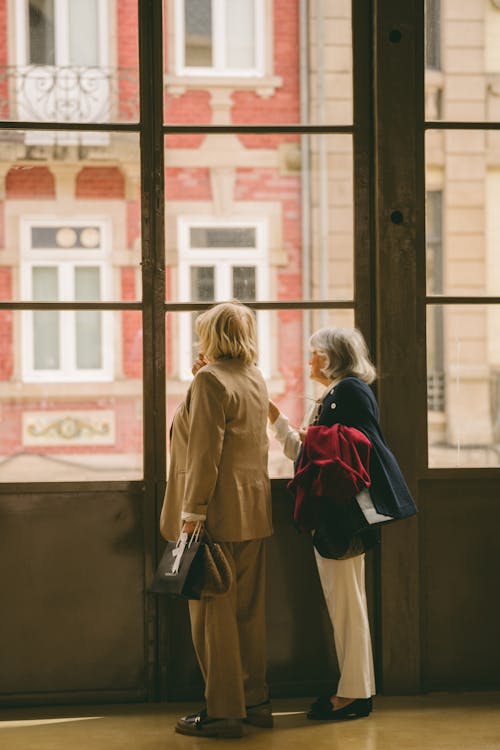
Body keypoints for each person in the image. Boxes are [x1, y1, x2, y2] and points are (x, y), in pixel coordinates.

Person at [269, 326, 417, 721]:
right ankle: (356, 690)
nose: (310, 360)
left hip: (339, 513)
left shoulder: (344, 392)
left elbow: (331, 454)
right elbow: (315, 451)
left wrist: (289, 427)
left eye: (315, 353)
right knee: (348, 602)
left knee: (346, 603)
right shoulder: (344, 391)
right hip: (343, 512)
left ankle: (353, 695)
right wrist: (282, 422)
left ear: (332, 357)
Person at [160, 301, 273, 739]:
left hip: (213, 517)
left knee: (213, 620)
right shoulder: (253, 377)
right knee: (248, 614)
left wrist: (193, 515)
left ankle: (223, 712)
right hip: (252, 512)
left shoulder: (210, 380)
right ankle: (255, 702)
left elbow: (204, 451)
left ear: (212, 337)